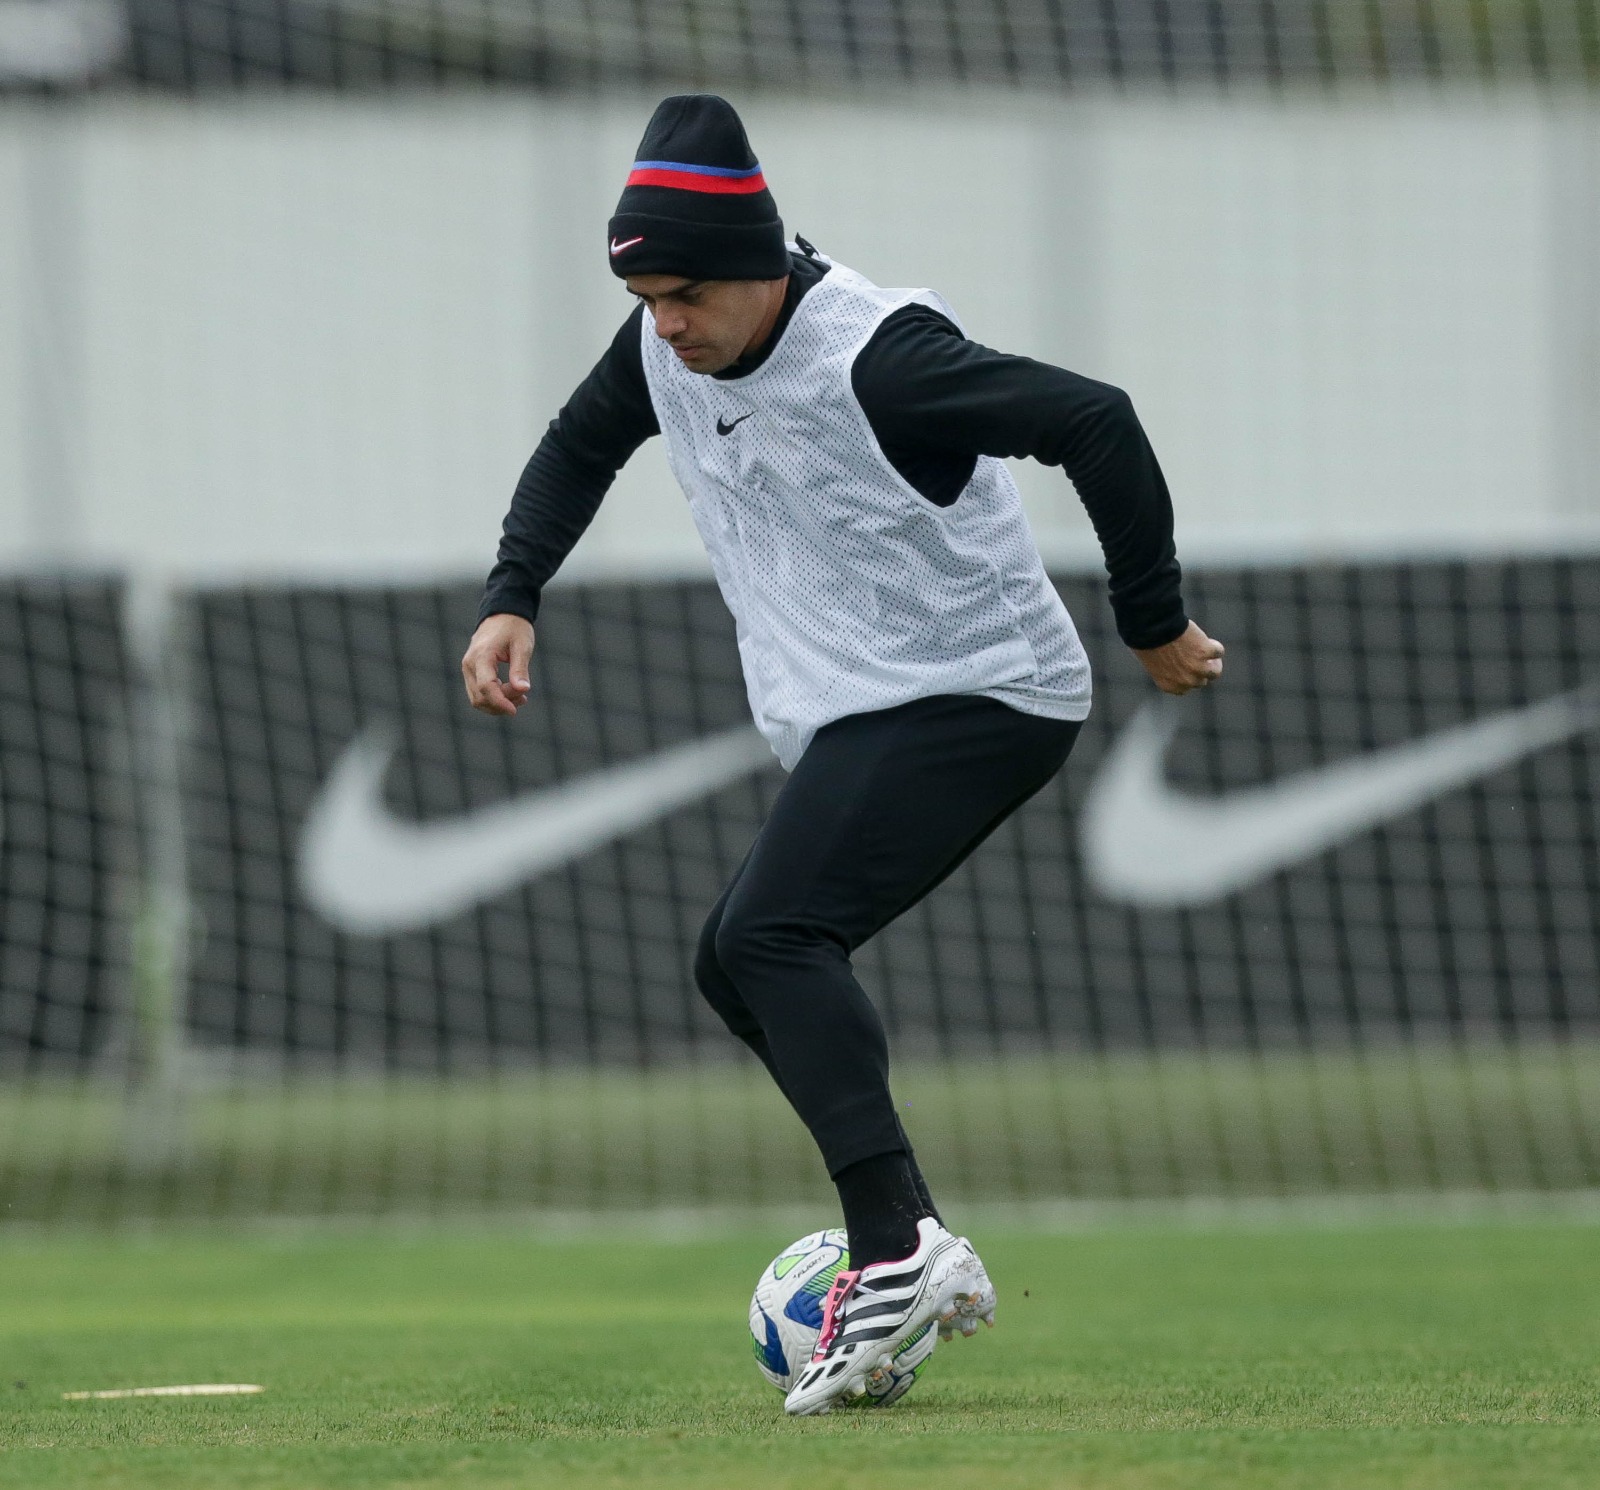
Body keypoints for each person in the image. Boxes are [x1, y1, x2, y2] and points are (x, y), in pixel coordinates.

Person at [463, 94, 1223, 1415]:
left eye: (686, 295)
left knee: (770, 936)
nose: (666, 324)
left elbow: (1096, 418)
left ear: (758, 265)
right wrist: (512, 589)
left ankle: (894, 1250)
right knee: (733, 956)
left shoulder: (882, 357)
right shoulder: (668, 348)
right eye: (645, 299)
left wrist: (1151, 625)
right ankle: (918, 1241)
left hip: (986, 690)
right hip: (871, 705)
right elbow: (576, 446)